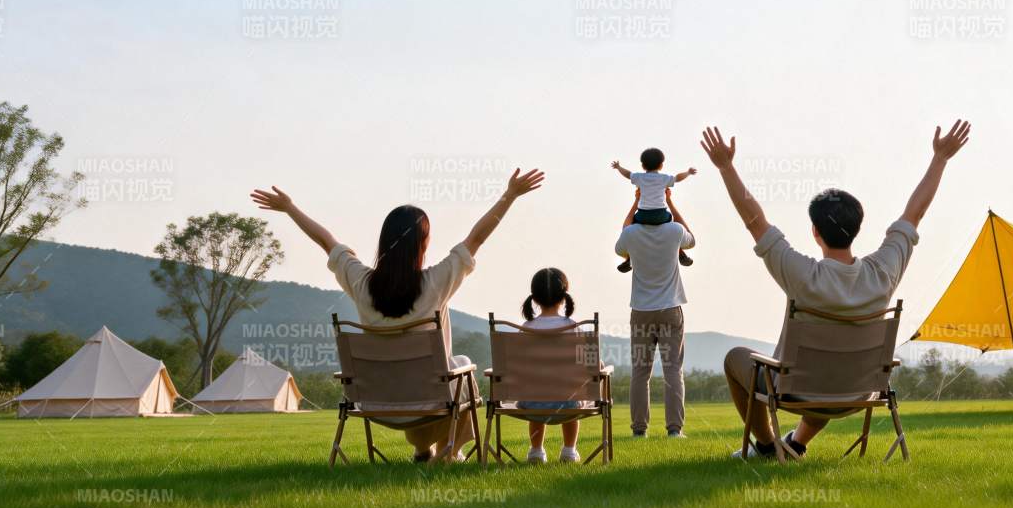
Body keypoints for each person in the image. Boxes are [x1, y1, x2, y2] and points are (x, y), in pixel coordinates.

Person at [700, 121, 972, 461]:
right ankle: (797, 443)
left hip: (800, 392)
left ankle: (768, 447)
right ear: (858, 229)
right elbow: (914, 213)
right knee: (832, 365)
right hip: (859, 393)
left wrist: (726, 167)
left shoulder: (802, 275)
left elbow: (754, 220)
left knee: (735, 358)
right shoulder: (883, 273)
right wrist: (940, 159)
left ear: (815, 231)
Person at [250, 167, 544, 462]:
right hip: (429, 400)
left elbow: (326, 242)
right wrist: (509, 195)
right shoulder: (436, 282)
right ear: (422, 244)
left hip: (377, 401)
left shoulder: (361, 282)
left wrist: (289, 208)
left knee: (444, 378)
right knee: (461, 366)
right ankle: (449, 451)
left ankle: (424, 451)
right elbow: (476, 239)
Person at [615, 189, 696, 438]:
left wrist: (634, 202)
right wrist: (672, 200)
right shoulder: (674, 231)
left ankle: (639, 430)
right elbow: (691, 239)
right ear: (664, 213)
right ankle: (674, 430)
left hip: (641, 311)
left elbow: (622, 241)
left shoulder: (631, 234)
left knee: (640, 372)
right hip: (670, 309)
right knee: (673, 370)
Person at [517, 266, 582, 464]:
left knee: (537, 390)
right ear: (564, 298)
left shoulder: (526, 329)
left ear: (534, 299)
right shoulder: (573, 328)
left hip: (532, 403)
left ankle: (536, 451)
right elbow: (587, 365)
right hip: (567, 403)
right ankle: (569, 451)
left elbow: (519, 366)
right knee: (570, 394)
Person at [612, 147, 696, 271]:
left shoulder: (639, 177)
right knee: (672, 225)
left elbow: (627, 174)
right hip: (661, 215)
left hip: (642, 215)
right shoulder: (664, 178)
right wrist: (688, 173)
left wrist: (619, 167)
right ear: (661, 165)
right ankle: (680, 252)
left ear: (643, 165)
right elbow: (677, 178)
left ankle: (628, 259)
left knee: (629, 229)